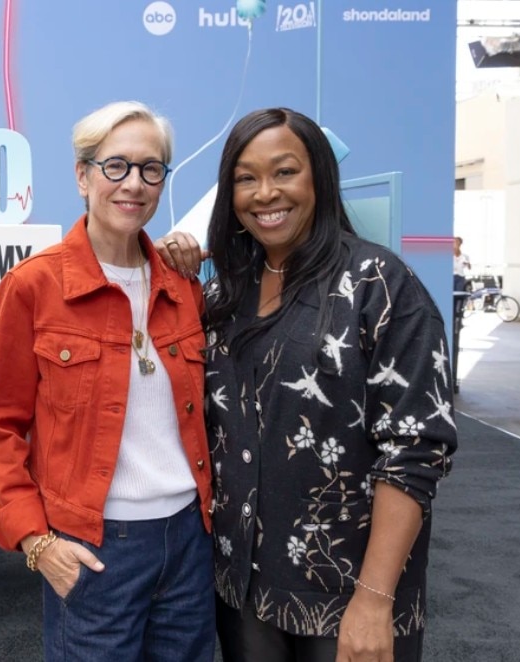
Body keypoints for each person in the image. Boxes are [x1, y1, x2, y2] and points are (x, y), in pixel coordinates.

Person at [157, 107, 457, 662]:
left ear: (319, 175)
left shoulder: (381, 286)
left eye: (285, 172)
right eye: (246, 178)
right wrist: (179, 261)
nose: (265, 193)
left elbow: (415, 451)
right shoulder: (224, 297)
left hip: (347, 595)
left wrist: (373, 601)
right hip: (241, 588)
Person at [0, 100, 215, 661]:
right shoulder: (32, 286)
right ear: (83, 175)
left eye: (151, 168)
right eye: (116, 166)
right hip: (96, 546)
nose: (134, 183)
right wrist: (37, 542)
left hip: (189, 540)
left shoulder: (184, 286)